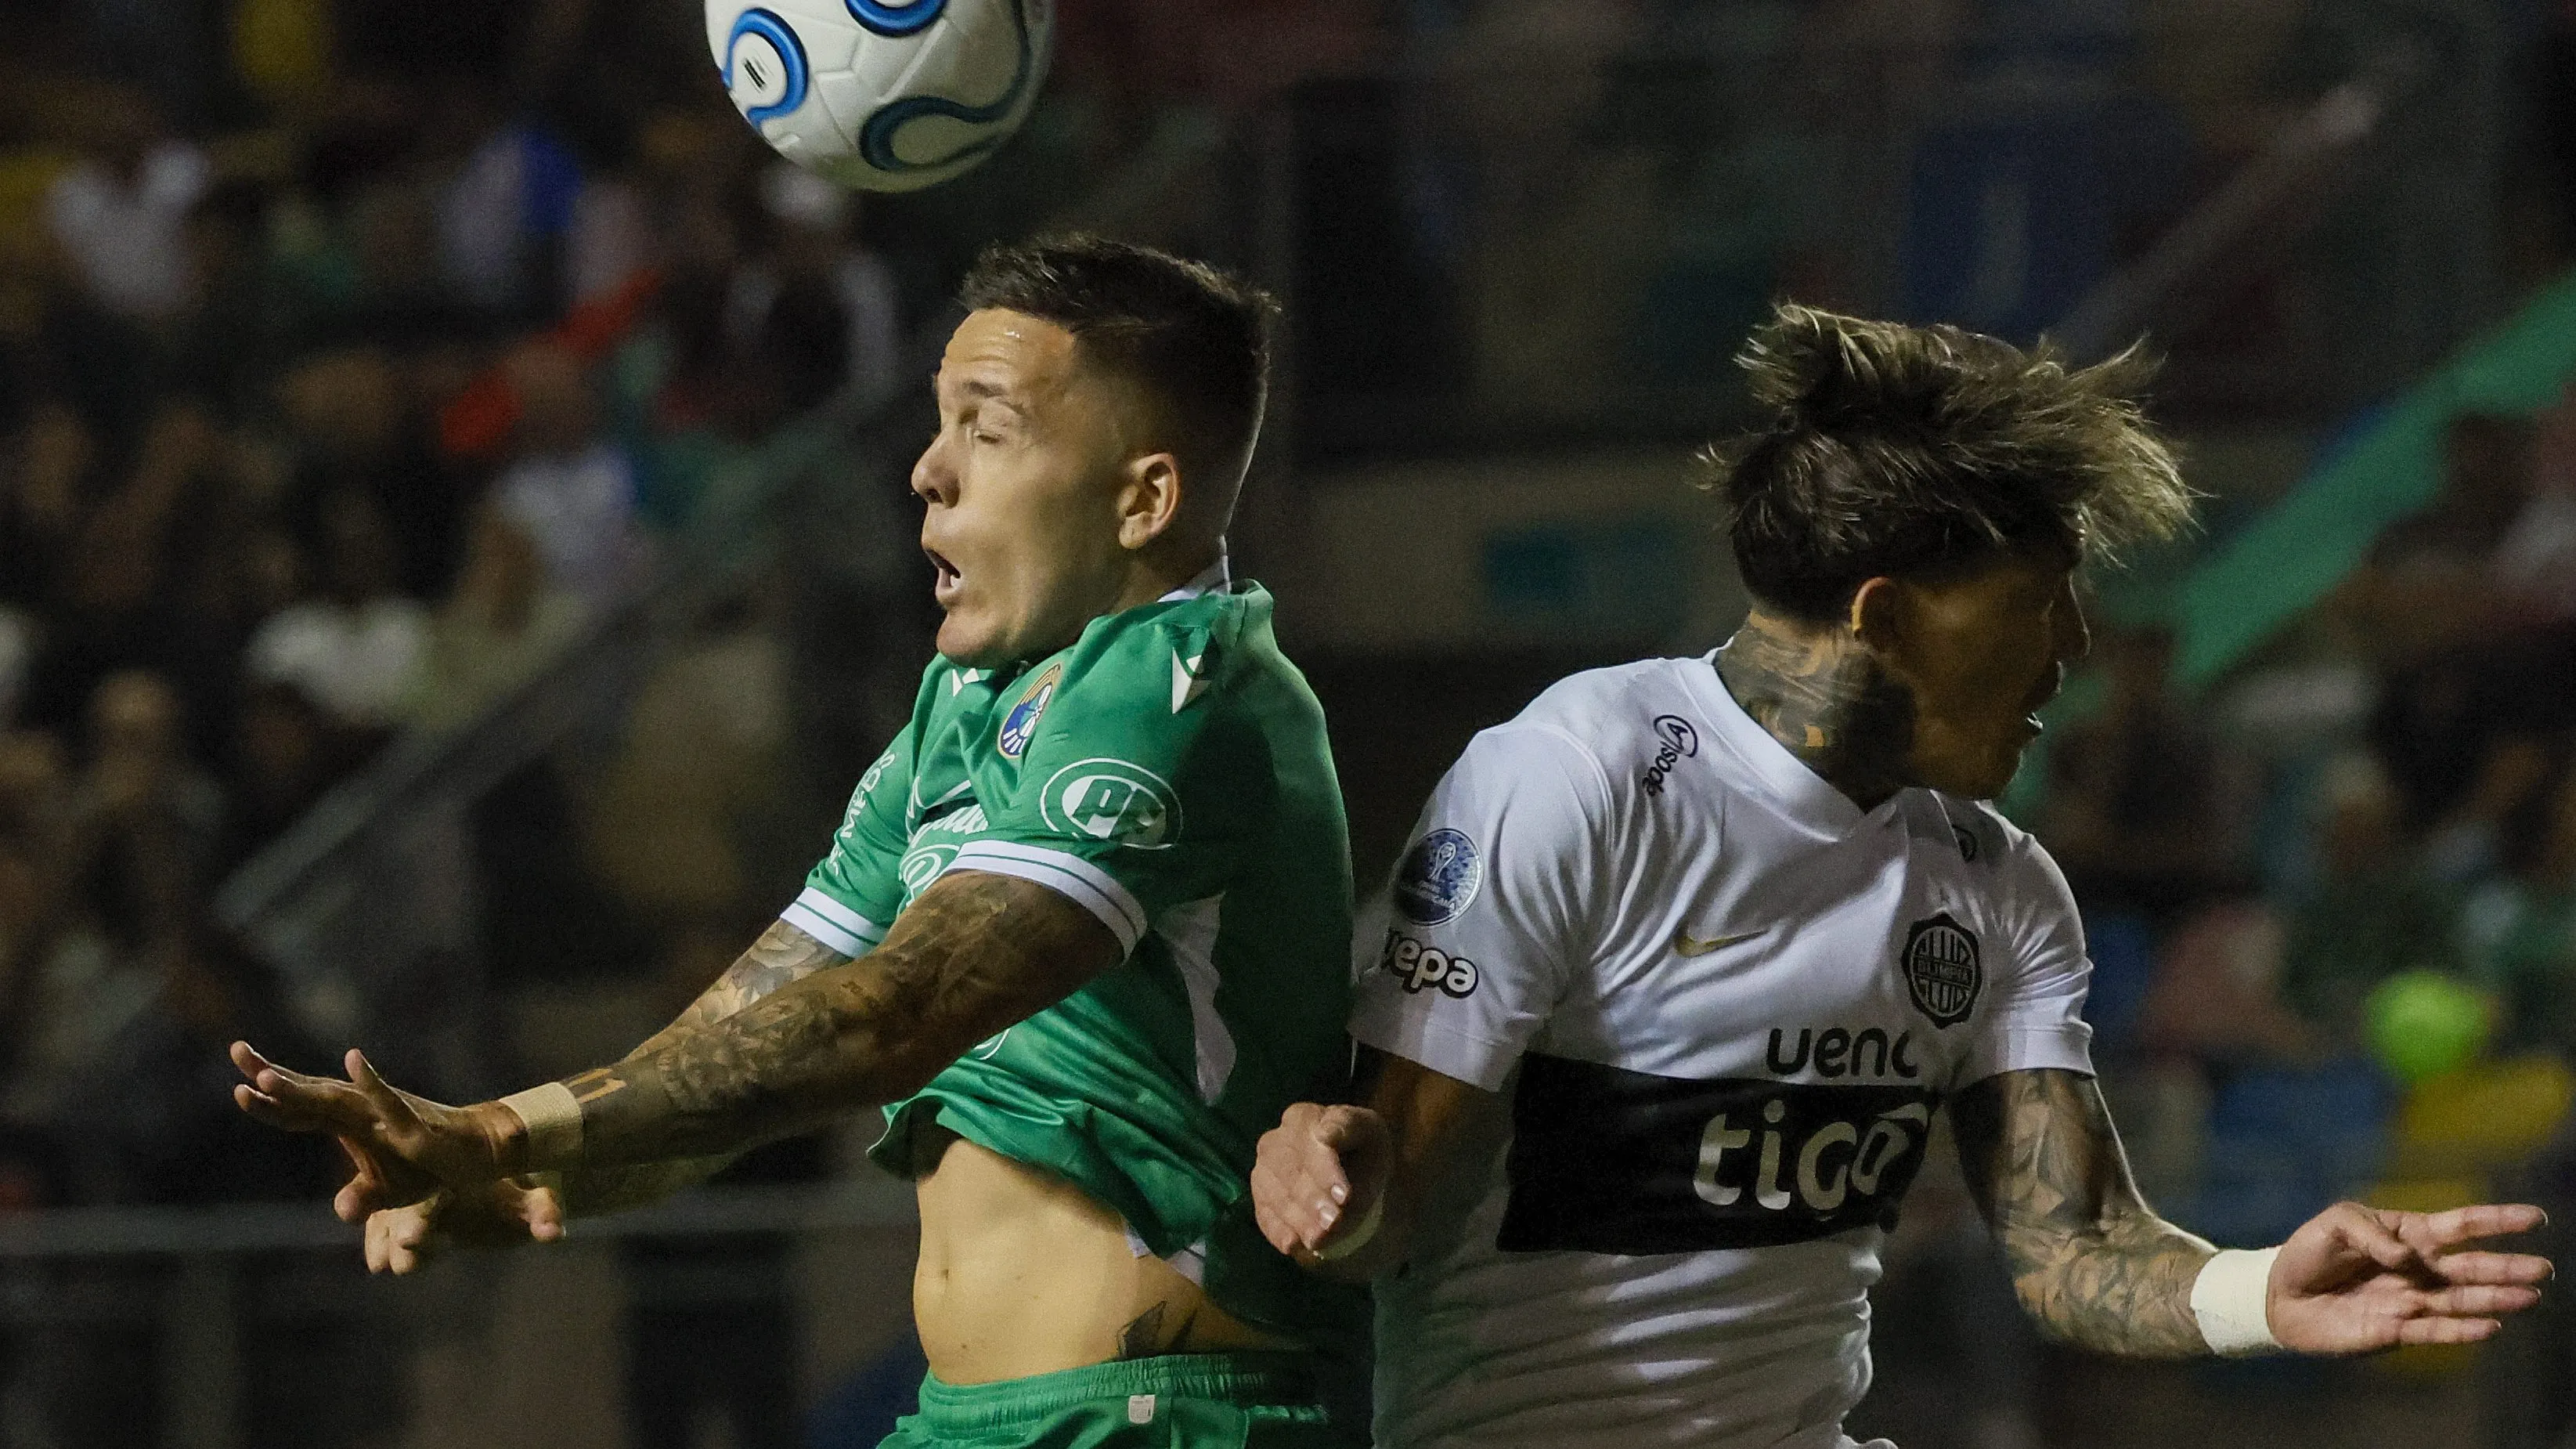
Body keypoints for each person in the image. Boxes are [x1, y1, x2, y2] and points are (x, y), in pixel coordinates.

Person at [1248, 305, 2555, 1449]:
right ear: (1881, 615)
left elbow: (2074, 1250)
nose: (2074, 649)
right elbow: (1386, 1198)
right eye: (2039, 603)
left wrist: (2256, 1289)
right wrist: (1330, 1176)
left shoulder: (1992, 883)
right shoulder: (1577, 777)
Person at [231, 237, 1370, 1447]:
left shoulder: (1186, 691)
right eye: (937, 425)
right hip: (971, 1421)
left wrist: (515, 1131)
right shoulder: (967, 708)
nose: (927, 471)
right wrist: (527, 1165)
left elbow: (900, 1006)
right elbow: (740, 1035)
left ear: (1144, 497)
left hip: (1160, 1420)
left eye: (984, 431)